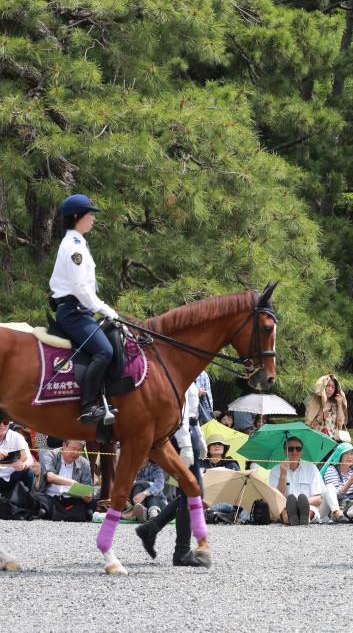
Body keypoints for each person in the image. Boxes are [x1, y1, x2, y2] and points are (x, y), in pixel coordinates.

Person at [48, 193, 120, 426]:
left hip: (81, 310)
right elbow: (81, 288)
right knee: (105, 352)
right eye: (90, 214)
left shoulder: (79, 242)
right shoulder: (73, 246)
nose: (93, 218)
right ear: (77, 216)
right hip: (73, 312)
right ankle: (88, 407)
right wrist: (105, 309)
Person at [134, 381, 208, 566]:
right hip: (179, 436)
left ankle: (152, 528)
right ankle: (181, 551)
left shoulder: (192, 375)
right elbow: (180, 413)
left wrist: (200, 436)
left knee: (193, 492)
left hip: (190, 432)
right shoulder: (179, 372)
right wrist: (186, 445)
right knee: (192, 492)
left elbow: (192, 413)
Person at [269, 436, 344, 525]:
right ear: (285, 451)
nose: (294, 452)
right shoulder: (276, 469)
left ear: (302, 451)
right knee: (284, 511)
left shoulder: (311, 468)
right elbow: (276, 498)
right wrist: (283, 474)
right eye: (290, 449)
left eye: (298, 448)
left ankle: (303, 518)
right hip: (285, 506)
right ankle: (291, 519)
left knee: (310, 510)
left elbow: (318, 500)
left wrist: (298, 503)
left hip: (308, 506)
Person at [39, 439, 94, 521]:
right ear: (64, 446)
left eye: (79, 450)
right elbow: (50, 477)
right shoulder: (50, 455)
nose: (75, 453)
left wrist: (87, 496)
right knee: (38, 498)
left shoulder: (84, 463)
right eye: (73, 449)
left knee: (92, 503)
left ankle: (52, 513)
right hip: (51, 497)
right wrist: (72, 483)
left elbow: (87, 491)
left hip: (72, 499)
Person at [0, 420, 35, 510]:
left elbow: (30, 459)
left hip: (11, 476)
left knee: (28, 472)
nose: (2, 425)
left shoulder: (17, 437)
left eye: (5, 422)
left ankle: (22, 505)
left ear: (9, 424)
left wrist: (23, 465)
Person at [321, 442, 353, 519]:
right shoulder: (331, 470)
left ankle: (348, 515)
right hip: (331, 507)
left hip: (349, 504)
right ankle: (337, 513)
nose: (350, 457)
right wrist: (349, 483)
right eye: (346, 454)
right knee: (329, 487)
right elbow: (336, 495)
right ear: (339, 456)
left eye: (352, 454)